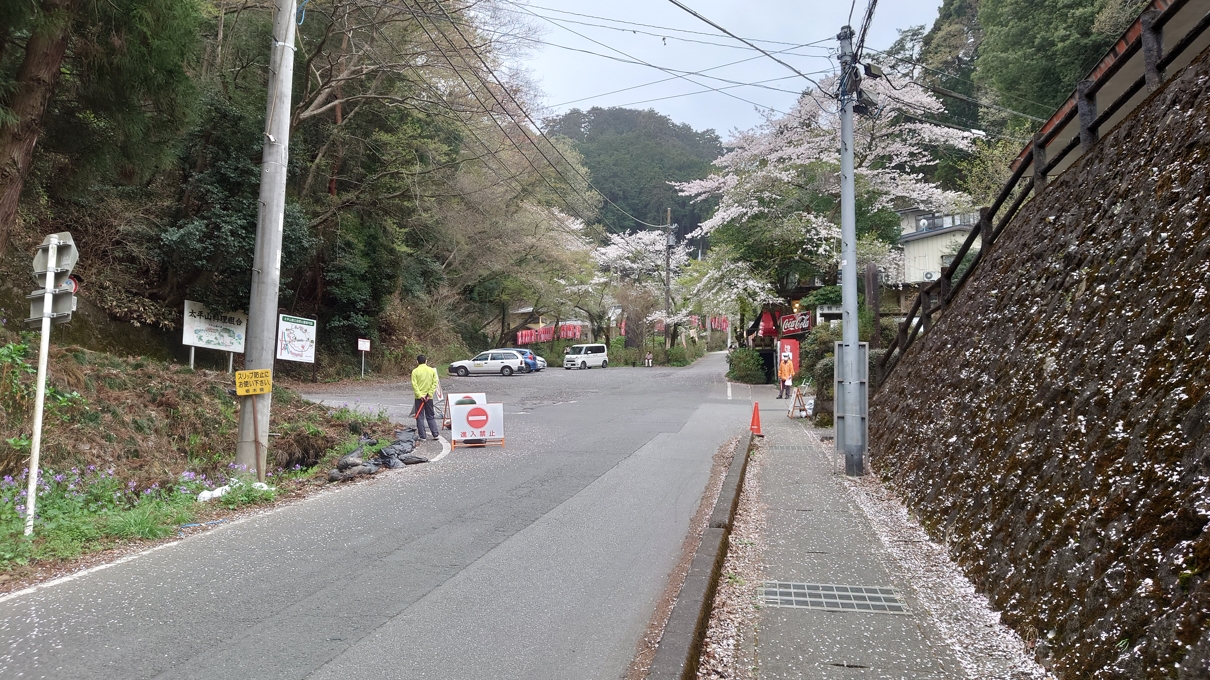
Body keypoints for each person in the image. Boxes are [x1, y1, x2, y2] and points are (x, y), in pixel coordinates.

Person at [411, 354, 441, 441]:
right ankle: (435, 434)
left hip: (419, 398)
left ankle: (422, 436)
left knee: (420, 417)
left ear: (417, 362)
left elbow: (414, 385)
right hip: (429, 398)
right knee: (430, 416)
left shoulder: (415, 371)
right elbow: (435, 383)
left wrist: (420, 395)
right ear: (426, 361)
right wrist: (429, 394)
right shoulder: (432, 371)